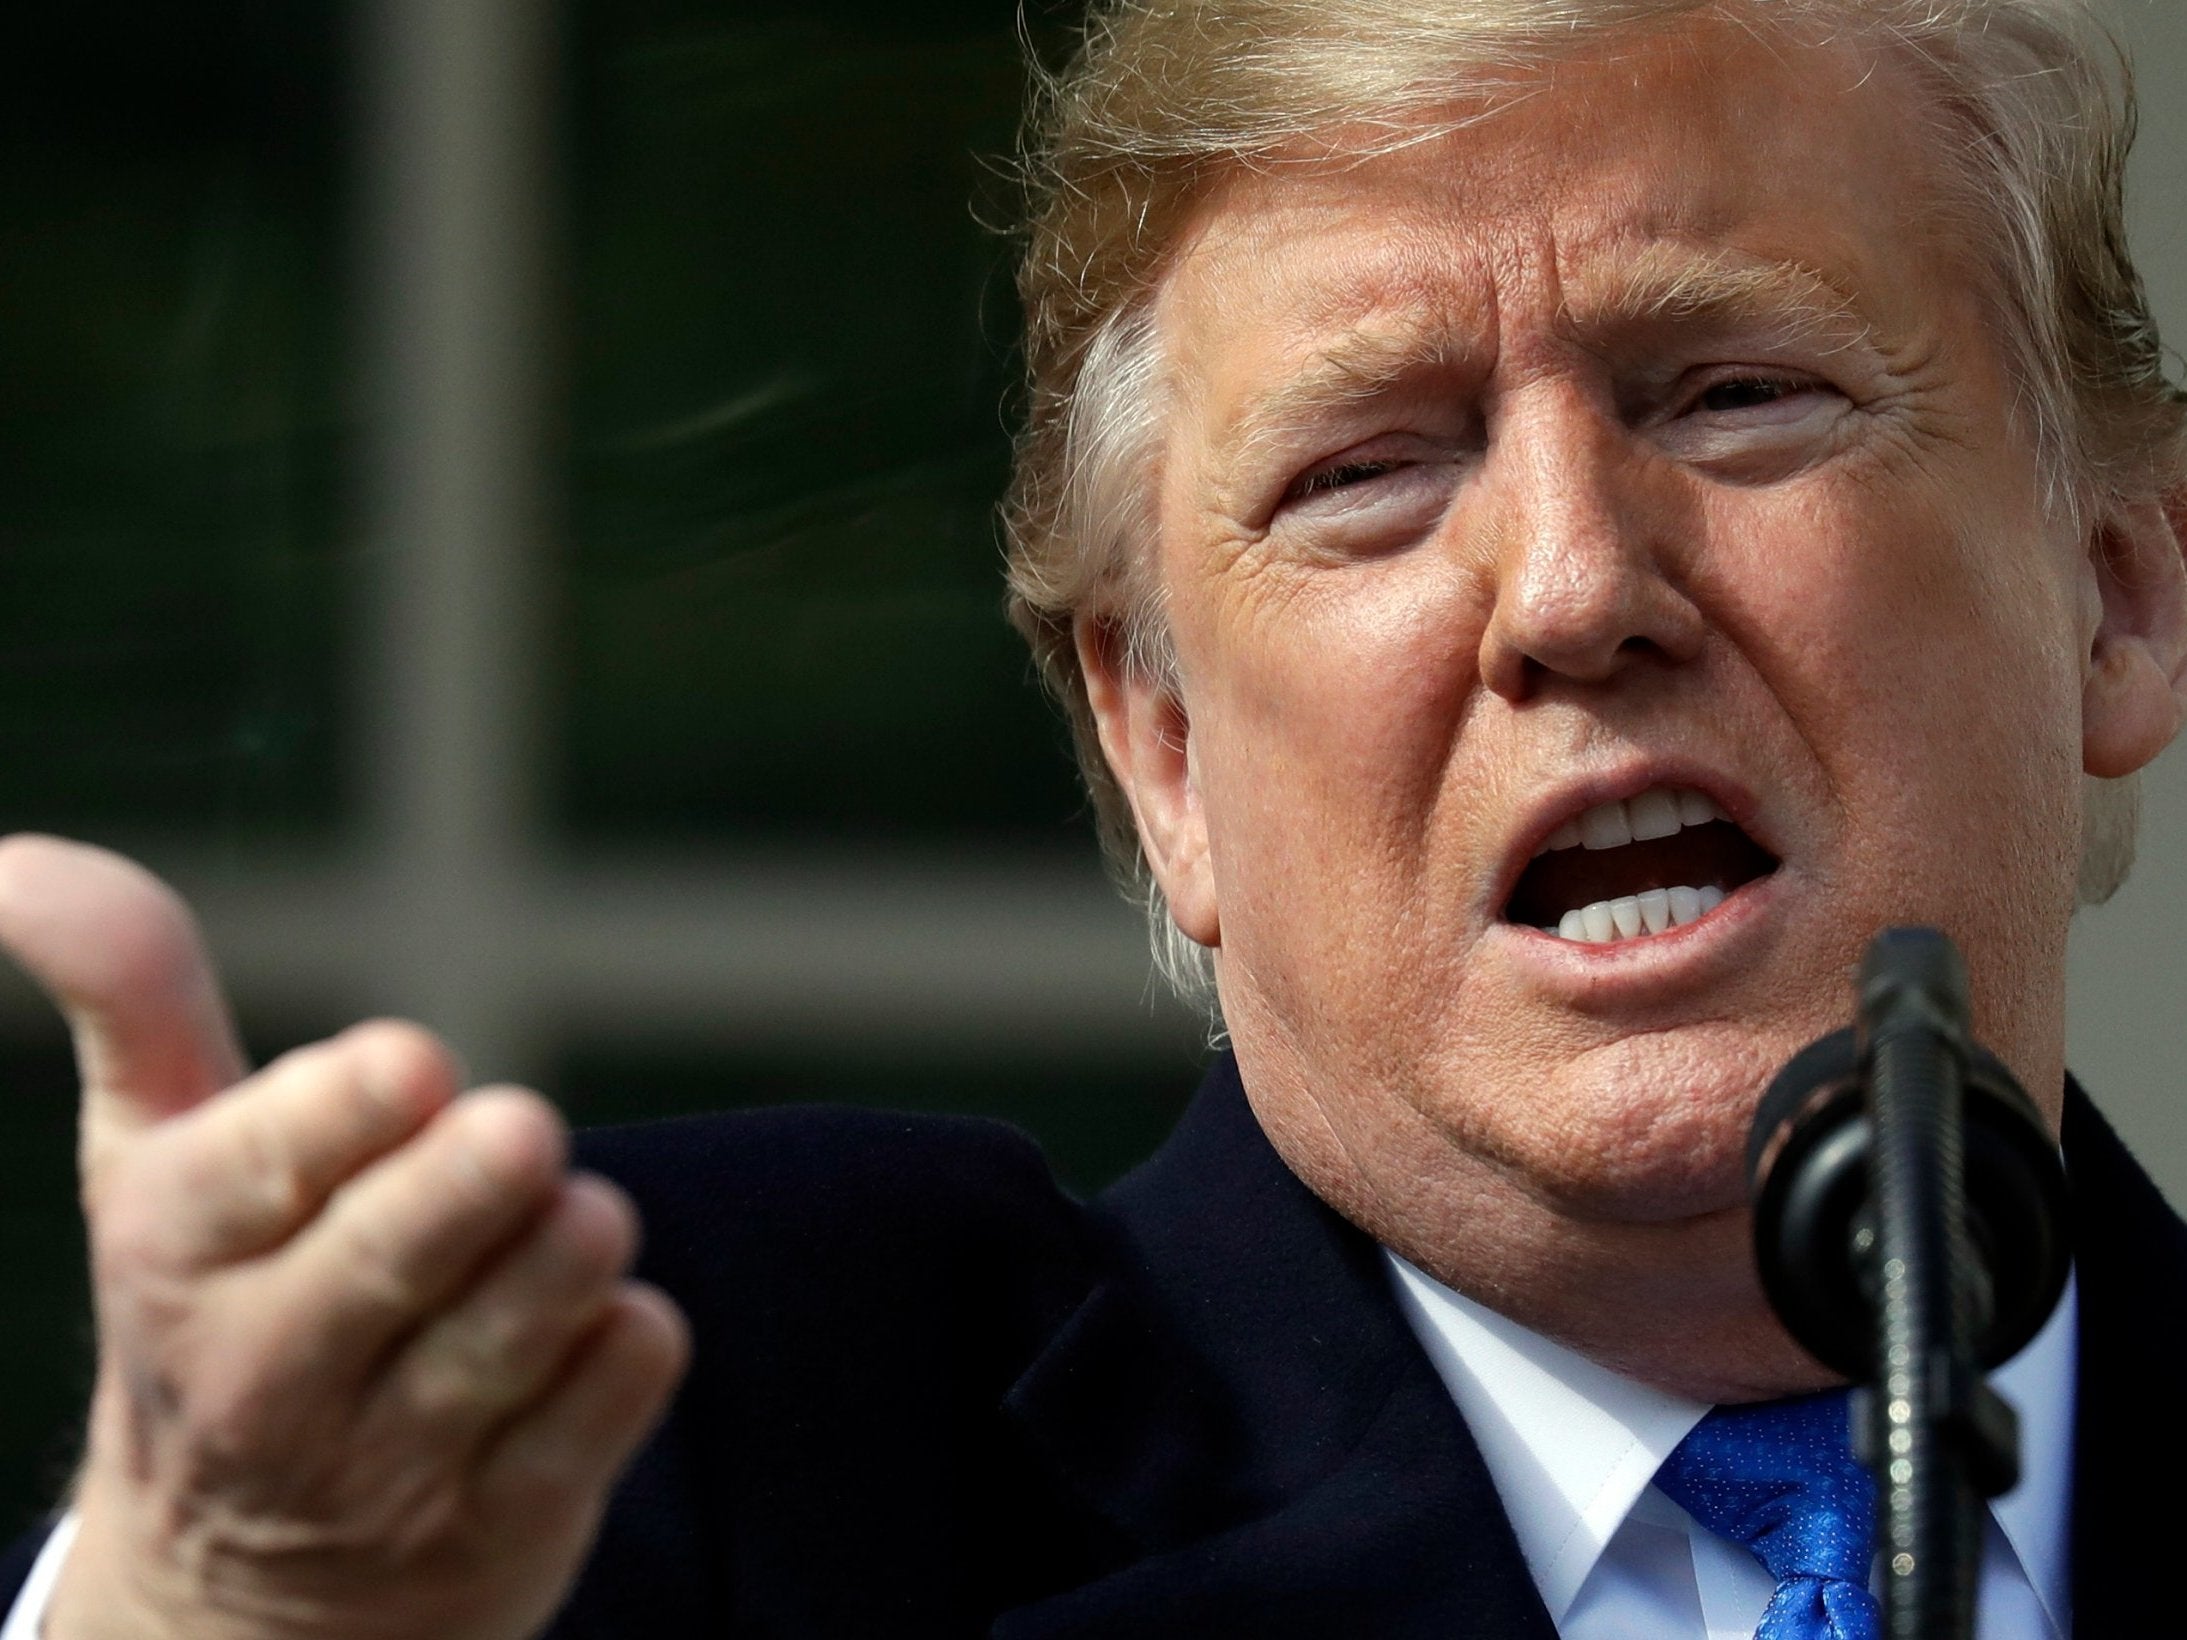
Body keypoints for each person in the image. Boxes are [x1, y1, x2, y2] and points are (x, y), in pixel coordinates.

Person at [4, 0, 2185, 1634]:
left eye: (1730, 391)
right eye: (1368, 471)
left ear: (2113, 586)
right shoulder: (679, 1446)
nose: (1570, 588)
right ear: (1159, 755)